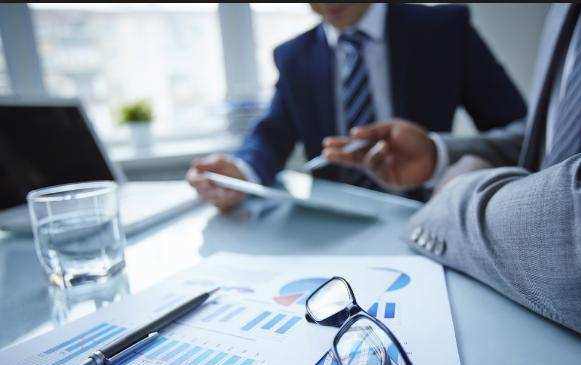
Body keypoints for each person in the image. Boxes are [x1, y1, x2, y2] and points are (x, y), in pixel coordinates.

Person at [322, 3, 581, 352]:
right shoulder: (568, 11)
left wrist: (453, 192)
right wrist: (438, 155)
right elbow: (551, 139)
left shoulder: (443, 24)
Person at [187, 3, 526, 210]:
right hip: (335, 225)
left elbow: (521, 133)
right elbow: (270, 136)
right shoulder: (294, 57)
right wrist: (240, 171)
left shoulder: (444, 30)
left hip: (430, 211)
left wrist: (444, 160)